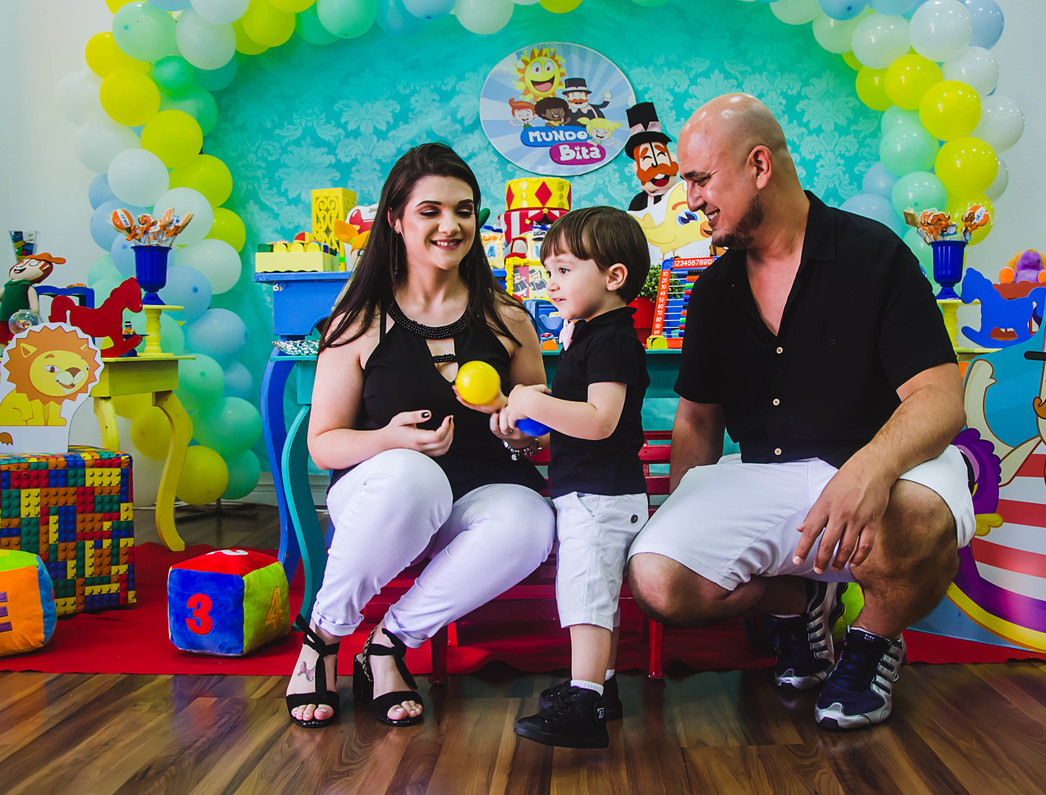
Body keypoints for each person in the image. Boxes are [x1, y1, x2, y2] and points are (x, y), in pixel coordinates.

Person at [626, 94, 977, 731]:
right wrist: (680, 513)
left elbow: (940, 396)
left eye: (701, 179)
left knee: (924, 521)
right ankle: (799, 602)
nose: (691, 199)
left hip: (884, 467)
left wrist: (871, 469)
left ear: (759, 165)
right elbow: (699, 421)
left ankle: (872, 642)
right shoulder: (711, 290)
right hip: (766, 474)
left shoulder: (875, 255)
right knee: (657, 580)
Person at [284, 143, 556, 729]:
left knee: (532, 520)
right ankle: (323, 638)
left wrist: (517, 421)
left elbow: (536, 440)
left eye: (463, 210)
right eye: (430, 210)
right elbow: (323, 443)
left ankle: (386, 645)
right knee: (414, 475)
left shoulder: (507, 320)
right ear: (396, 220)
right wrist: (389, 439)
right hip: (383, 497)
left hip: (478, 496)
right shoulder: (356, 320)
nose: (450, 225)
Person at [483, 206, 651, 749]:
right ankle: (601, 688)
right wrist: (532, 432)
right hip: (593, 489)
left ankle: (585, 703)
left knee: (584, 591)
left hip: (601, 494)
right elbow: (584, 423)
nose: (550, 284)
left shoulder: (613, 340)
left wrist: (534, 398)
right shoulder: (590, 335)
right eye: (548, 272)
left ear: (613, 277)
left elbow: (601, 421)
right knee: (595, 589)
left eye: (562, 271)